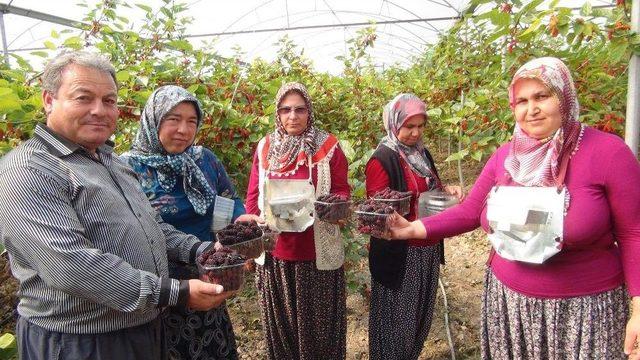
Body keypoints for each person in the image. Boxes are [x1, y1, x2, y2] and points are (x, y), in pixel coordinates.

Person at [387, 57, 640, 359]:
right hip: (509, 304)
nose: (530, 109)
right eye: (521, 100)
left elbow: (633, 233)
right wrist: (414, 228)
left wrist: (639, 309)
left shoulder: (608, 153)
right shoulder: (506, 156)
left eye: (542, 96)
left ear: (565, 97)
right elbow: (470, 212)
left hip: (583, 311)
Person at [0, 51, 233, 360]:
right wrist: (174, 292)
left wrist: (201, 250)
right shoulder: (29, 169)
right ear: (49, 99)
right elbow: (72, 266)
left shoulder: (109, 161)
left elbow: (152, 227)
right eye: (84, 98)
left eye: (109, 101)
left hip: (143, 326)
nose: (99, 110)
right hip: (82, 341)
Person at [122, 85, 257, 360]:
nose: (184, 129)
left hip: (208, 269)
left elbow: (227, 199)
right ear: (153, 120)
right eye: (173, 119)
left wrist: (240, 221)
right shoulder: (127, 169)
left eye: (192, 121)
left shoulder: (204, 160)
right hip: (158, 287)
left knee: (212, 346)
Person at [245, 82, 350, 359]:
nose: (293, 116)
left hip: (316, 255)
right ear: (278, 114)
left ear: (309, 112)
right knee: (283, 329)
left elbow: (341, 190)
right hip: (276, 254)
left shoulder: (327, 146)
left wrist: (334, 208)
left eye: (300, 110)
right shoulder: (266, 146)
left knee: (319, 330)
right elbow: (253, 194)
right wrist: (251, 238)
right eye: (286, 109)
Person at [365, 93, 463, 360]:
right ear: (394, 124)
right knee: (397, 324)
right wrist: (405, 211)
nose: (415, 132)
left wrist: (448, 190)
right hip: (401, 254)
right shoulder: (382, 159)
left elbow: (434, 188)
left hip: (427, 247)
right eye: (409, 126)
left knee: (419, 317)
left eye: (420, 126)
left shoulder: (422, 154)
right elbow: (377, 210)